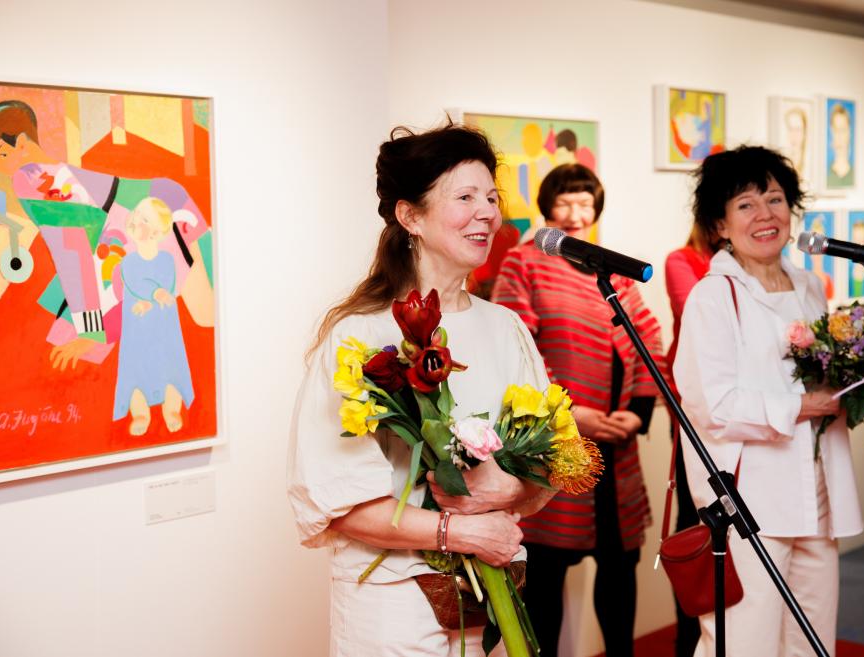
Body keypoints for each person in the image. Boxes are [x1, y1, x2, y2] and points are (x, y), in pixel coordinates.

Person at [287, 124, 557, 657]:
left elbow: (549, 464)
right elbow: (342, 503)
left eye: (491, 197)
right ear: (410, 216)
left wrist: (516, 490)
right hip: (393, 606)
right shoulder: (360, 336)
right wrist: (460, 532)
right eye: (464, 197)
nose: (486, 213)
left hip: (495, 598)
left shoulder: (506, 329)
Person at [672, 145, 864, 657]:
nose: (765, 215)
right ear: (720, 224)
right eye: (745, 204)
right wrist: (804, 405)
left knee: (813, 643)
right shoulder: (712, 297)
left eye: (774, 199)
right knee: (746, 644)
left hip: (815, 498)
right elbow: (713, 406)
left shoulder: (811, 285)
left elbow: (819, 385)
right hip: (752, 504)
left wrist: (854, 403)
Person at [491, 163, 661, 657]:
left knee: (619, 567)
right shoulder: (523, 263)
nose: (575, 213)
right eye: (565, 201)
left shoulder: (607, 267)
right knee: (545, 576)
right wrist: (571, 414)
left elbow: (647, 337)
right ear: (547, 206)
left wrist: (638, 412)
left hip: (617, 449)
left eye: (585, 202)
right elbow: (516, 354)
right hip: (555, 445)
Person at [0, 99, 214, 370]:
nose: (0, 168)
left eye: (1, 155)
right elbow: (76, 246)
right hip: (149, 206)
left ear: (22, 143)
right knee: (209, 308)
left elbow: (72, 250)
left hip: (156, 210)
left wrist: (91, 334)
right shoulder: (44, 173)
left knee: (208, 311)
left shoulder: (29, 179)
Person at [662, 223, 714, 657]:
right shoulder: (682, 260)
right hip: (695, 413)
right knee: (695, 525)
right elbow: (698, 314)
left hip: (745, 422)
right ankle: (690, 635)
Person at [114, 197, 194, 435]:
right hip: (138, 329)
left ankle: (172, 407)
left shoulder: (167, 260)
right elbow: (135, 282)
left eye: (144, 219)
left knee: (169, 368)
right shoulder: (128, 262)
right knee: (136, 370)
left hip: (163, 327)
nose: (136, 219)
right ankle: (139, 412)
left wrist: (157, 295)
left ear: (157, 232)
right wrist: (152, 295)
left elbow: (167, 284)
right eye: (137, 213)